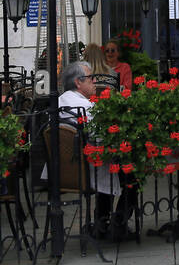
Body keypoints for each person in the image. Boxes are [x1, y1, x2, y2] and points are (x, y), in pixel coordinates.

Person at [57, 60, 135, 239]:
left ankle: (102, 221)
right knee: (130, 174)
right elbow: (104, 136)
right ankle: (118, 223)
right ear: (78, 82)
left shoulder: (61, 102)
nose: (94, 82)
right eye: (90, 78)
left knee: (109, 167)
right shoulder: (85, 108)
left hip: (69, 168)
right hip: (86, 168)